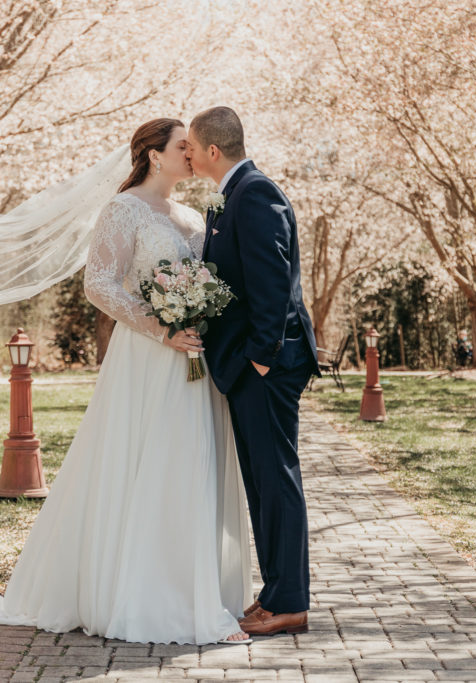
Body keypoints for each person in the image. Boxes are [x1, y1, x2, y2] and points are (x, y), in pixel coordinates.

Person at [0, 119, 252, 644]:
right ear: (154, 155)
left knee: (190, 464)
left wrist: (197, 317)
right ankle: (152, 599)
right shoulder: (124, 209)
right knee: (148, 463)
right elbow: (98, 284)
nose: (191, 154)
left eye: (191, 146)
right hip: (147, 357)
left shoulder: (192, 215)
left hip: (196, 359)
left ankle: (197, 591)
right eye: (181, 146)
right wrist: (162, 327)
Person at [186, 107, 319, 637]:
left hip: (267, 366)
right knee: (263, 484)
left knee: (276, 481)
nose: (189, 155)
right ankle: (274, 595)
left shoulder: (256, 194)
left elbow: (273, 284)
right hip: (251, 366)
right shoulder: (232, 195)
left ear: (213, 151)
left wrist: (260, 358)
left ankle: (288, 603)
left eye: (192, 147)